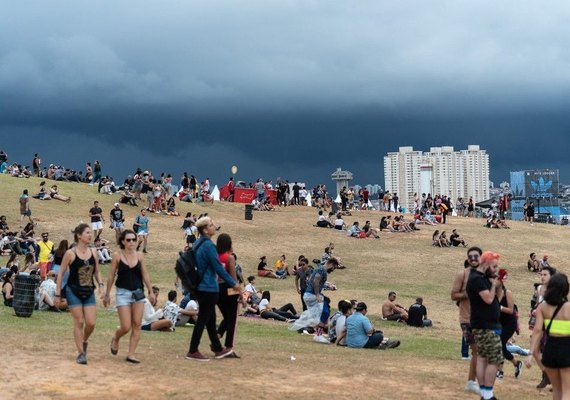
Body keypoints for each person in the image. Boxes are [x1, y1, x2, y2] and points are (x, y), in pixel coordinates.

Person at [186, 217, 240, 362]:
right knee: (203, 319)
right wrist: (233, 284)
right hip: (208, 286)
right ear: (205, 230)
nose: (214, 226)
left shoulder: (197, 243)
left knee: (210, 320)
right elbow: (217, 268)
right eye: (211, 225)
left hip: (201, 285)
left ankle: (217, 349)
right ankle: (193, 350)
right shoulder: (209, 246)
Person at [55, 224, 105, 365]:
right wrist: (58, 295)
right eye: (87, 233)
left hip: (88, 290)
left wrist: (101, 285)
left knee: (91, 323)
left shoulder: (94, 252)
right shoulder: (70, 253)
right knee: (79, 322)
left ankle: (83, 341)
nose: (90, 235)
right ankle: (81, 353)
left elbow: (97, 271)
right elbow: (60, 274)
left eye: (91, 233)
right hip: (73, 290)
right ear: (79, 235)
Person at [103, 229, 155, 363]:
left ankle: (131, 354)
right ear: (123, 241)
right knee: (126, 326)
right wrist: (107, 294)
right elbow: (111, 276)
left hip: (138, 292)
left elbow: (145, 274)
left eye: (133, 239)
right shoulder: (117, 255)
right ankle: (116, 338)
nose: (131, 242)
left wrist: (151, 291)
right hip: (122, 292)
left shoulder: (140, 256)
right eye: (128, 240)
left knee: (137, 324)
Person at [525, 273, 570, 399]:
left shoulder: (542, 307)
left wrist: (530, 354)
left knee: (557, 390)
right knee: (567, 391)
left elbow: (537, 330)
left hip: (550, 350)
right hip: (566, 349)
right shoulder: (568, 308)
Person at [467, 251, 502, 400]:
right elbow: (488, 299)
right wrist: (494, 284)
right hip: (486, 326)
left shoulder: (481, 278)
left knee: (482, 357)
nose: (495, 269)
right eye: (494, 266)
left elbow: (496, 300)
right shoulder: (477, 279)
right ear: (486, 264)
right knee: (494, 359)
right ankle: (487, 394)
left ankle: (485, 393)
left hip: (484, 324)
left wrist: (497, 284)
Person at [451, 246, 483, 394]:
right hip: (466, 318)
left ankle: (472, 382)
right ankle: (472, 382)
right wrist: (467, 293)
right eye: (470, 256)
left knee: (480, 351)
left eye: (476, 256)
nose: (473, 259)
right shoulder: (462, 275)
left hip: (482, 318)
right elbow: (453, 295)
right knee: (477, 349)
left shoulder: (484, 276)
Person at [494, 269, 524, 380]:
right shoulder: (492, 293)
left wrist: (499, 307)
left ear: (501, 280)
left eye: (496, 278)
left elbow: (511, 310)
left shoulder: (507, 293)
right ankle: (516, 364)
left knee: (500, 344)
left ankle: (500, 371)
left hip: (510, 323)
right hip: (499, 323)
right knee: (499, 346)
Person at [215, 233, 241, 354]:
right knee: (232, 319)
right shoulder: (230, 258)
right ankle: (229, 346)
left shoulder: (215, 256)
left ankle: (218, 336)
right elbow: (233, 279)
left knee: (227, 316)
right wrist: (240, 294)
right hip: (229, 289)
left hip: (217, 289)